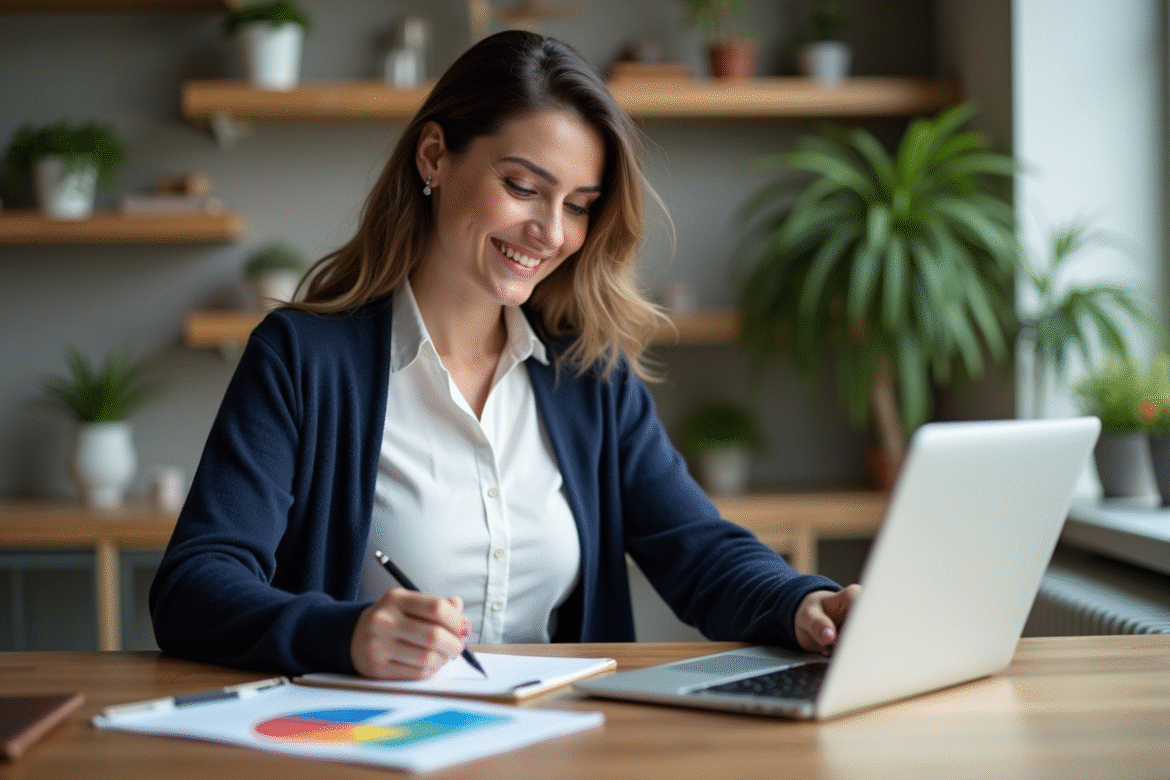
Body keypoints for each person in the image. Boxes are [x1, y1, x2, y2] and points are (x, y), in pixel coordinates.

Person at [150, 29, 860, 680]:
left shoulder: (589, 374)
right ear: (434, 155)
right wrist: (345, 633)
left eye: (579, 204)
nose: (550, 232)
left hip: (557, 742)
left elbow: (697, 546)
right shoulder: (303, 361)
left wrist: (803, 603)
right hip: (372, 744)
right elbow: (194, 586)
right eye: (522, 187)